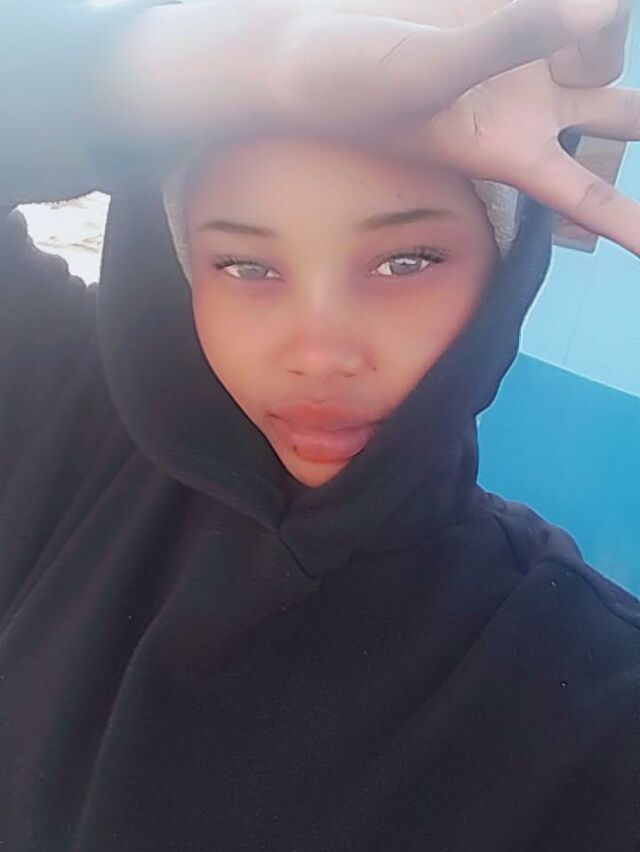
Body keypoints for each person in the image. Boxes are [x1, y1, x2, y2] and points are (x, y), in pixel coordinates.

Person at [1, 1, 639, 850]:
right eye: (246, 265)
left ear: (504, 270)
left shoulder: (592, 695)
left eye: (404, 261)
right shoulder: (62, 424)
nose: (318, 354)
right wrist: (234, 65)